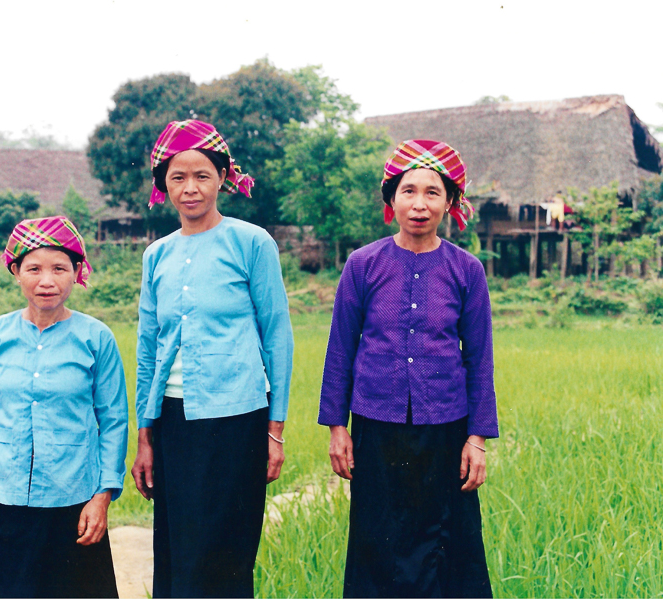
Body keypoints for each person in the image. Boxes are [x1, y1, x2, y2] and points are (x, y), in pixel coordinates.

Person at [319, 140, 498, 598]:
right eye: (408, 191)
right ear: (391, 199)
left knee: (445, 544)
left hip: (446, 431)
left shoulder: (467, 271)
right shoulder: (363, 265)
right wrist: (338, 428)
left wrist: (477, 439)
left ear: (450, 202)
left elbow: (479, 360)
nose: (420, 204)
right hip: (376, 429)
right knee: (378, 541)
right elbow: (341, 349)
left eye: (432, 192)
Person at [130, 120, 294, 598]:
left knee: (227, 550)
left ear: (223, 177)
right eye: (178, 177)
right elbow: (148, 348)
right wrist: (145, 434)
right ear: (163, 185)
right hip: (173, 421)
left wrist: (274, 430)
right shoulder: (156, 256)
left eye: (202, 175)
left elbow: (277, 336)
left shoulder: (252, 243)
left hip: (237, 420)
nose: (191, 188)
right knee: (178, 548)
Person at [0, 216, 128, 598]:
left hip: (73, 502)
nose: (47, 280)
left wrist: (102, 497)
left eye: (59, 268)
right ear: (15, 272)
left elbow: (114, 421)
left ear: (77, 272)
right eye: (34, 269)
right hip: (1, 500)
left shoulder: (96, 338)